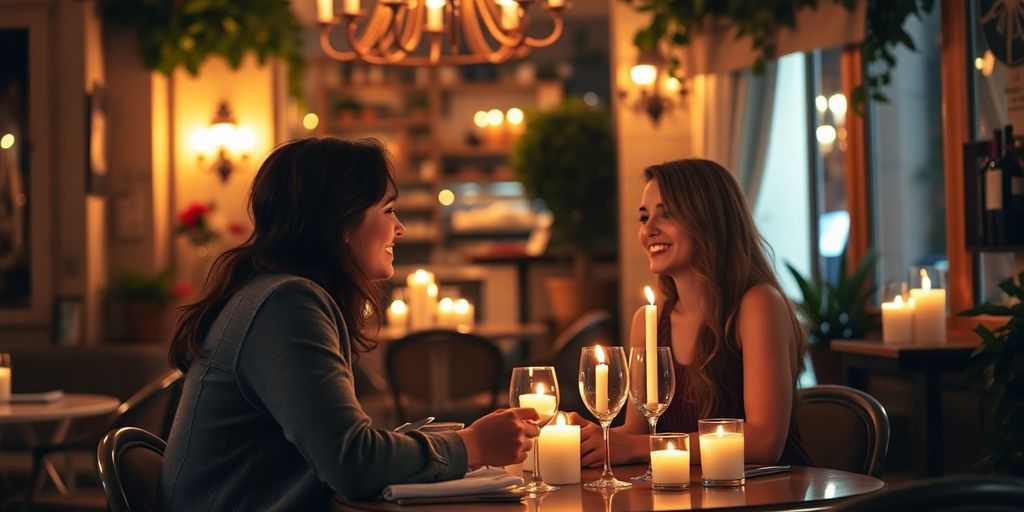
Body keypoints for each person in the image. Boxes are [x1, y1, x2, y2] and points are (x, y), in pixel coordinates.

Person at [159, 137, 540, 510]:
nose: (400, 228)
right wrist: (472, 445)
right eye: (389, 211)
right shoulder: (287, 305)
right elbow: (352, 462)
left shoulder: (271, 294)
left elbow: (342, 447)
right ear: (342, 221)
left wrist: (461, 440)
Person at [574, 158, 811, 467]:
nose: (649, 230)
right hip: (687, 494)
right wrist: (592, 441)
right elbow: (636, 431)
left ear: (708, 220)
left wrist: (637, 448)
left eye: (667, 214)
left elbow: (763, 443)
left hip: (766, 496)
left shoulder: (757, 305)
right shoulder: (649, 320)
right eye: (644, 218)